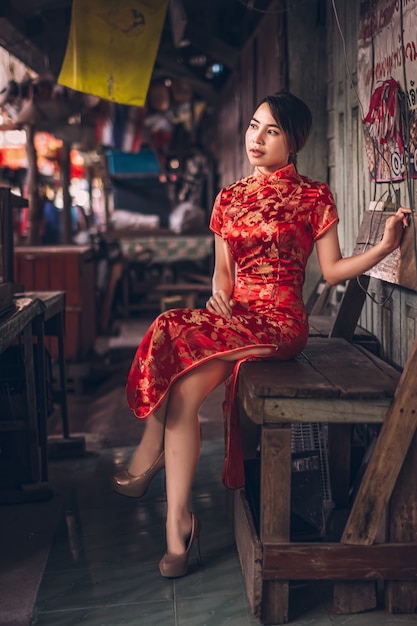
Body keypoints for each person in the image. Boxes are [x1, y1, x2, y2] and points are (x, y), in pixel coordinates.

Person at [112, 91, 410, 579]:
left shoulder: (314, 195)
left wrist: (383, 247)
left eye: (271, 130)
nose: (257, 138)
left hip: (280, 323)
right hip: (237, 318)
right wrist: (219, 295)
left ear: (294, 142)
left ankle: (150, 458)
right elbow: (222, 273)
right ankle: (178, 526)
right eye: (254, 126)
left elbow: (332, 271)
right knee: (176, 354)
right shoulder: (228, 197)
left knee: (181, 365)